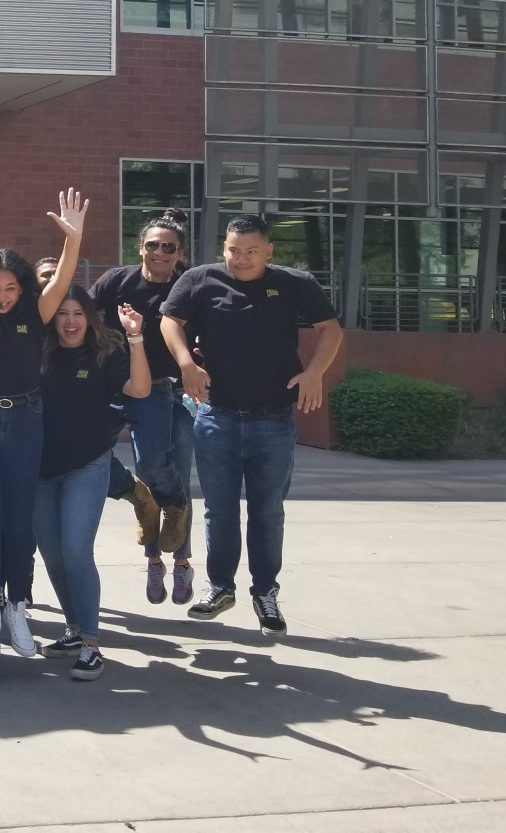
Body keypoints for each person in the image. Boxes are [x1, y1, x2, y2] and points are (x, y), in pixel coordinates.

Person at [161, 213, 342, 635]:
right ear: (223, 247)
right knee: (219, 510)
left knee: (267, 511)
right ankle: (221, 587)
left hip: (273, 418)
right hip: (216, 414)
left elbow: (330, 329)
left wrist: (315, 371)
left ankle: (265, 592)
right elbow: (170, 321)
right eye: (233, 251)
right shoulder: (201, 280)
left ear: (269, 250)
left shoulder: (295, 283)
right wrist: (186, 362)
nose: (240, 260)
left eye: (251, 252)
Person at [0, 185, 87, 664]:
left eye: (10, 287)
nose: (2, 296)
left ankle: (18, 606)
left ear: (22, 288)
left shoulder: (36, 311)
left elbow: (65, 277)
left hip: (27, 418)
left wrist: (73, 239)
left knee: (19, 517)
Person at [34, 287, 150, 682]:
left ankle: (91, 644)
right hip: (41, 470)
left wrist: (135, 337)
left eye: (77, 313)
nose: (70, 321)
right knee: (53, 554)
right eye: (62, 314)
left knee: (76, 551)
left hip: (87, 465)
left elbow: (140, 389)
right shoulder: (41, 352)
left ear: (89, 317)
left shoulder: (106, 354)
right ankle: (73, 627)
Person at [89, 209, 197, 604]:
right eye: (153, 245)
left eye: (168, 247)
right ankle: (139, 499)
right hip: (112, 386)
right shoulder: (117, 280)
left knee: (159, 467)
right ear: (141, 248)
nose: (160, 252)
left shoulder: (187, 286)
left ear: (179, 252)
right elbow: (80, 314)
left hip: (159, 389)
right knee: (88, 455)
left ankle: (171, 560)